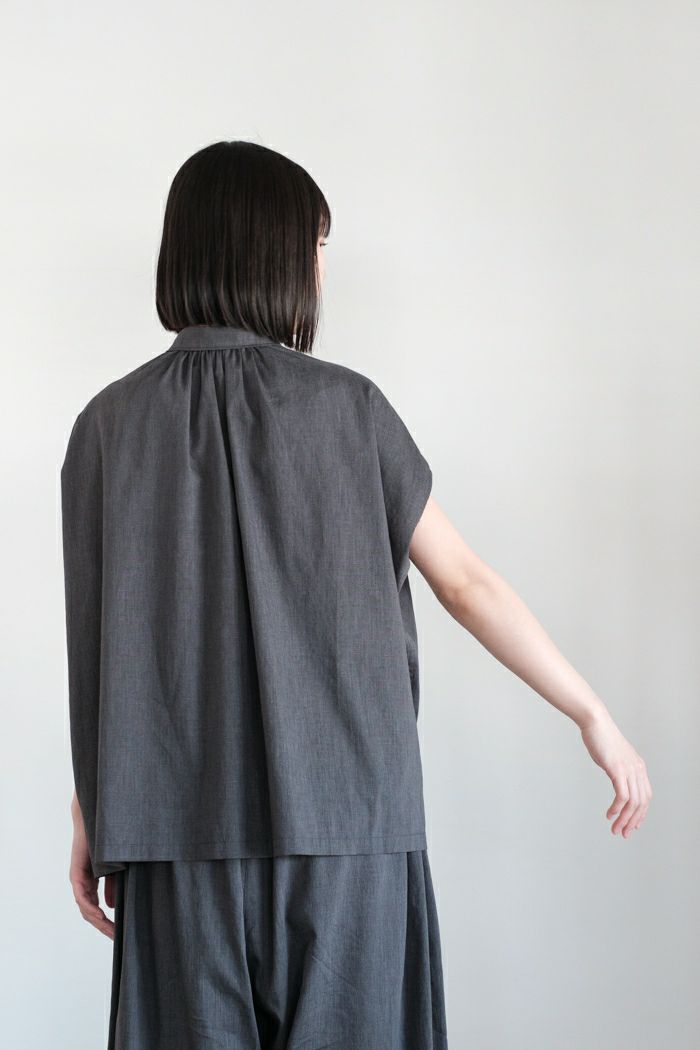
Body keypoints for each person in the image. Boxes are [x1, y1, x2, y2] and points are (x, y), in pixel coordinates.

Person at [61, 140, 652, 1050]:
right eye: (318, 245)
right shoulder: (349, 409)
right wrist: (592, 712)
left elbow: (99, 645)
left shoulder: (106, 428)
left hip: (174, 836)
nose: (322, 268)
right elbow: (465, 584)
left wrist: (93, 813)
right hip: (351, 834)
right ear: (275, 253)